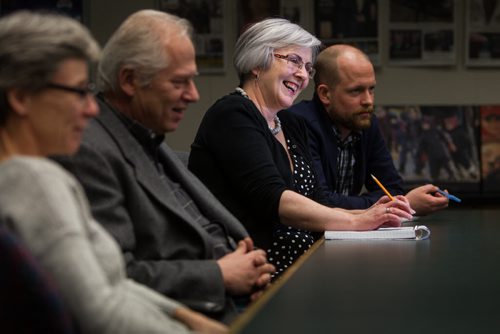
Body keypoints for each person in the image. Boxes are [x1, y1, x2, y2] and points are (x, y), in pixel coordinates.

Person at [0, 10, 227, 334]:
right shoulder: (33, 181)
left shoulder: (30, 175)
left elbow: (115, 284)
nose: (92, 107)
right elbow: (102, 314)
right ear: (21, 98)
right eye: (78, 91)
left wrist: (187, 318)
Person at [53, 9, 274, 324]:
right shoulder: (88, 151)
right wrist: (219, 276)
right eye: (179, 82)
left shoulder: (147, 132)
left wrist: (244, 271)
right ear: (130, 80)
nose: (194, 95)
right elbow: (115, 278)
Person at [188, 18, 413, 279]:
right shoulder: (232, 114)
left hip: (306, 265)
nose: (303, 75)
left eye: (307, 67)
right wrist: (357, 221)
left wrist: (376, 215)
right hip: (260, 274)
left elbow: (319, 204)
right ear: (257, 63)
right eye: (294, 61)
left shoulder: (292, 123)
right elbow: (273, 198)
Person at [288, 44, 449, 216]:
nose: (368, 101)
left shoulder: (365, 122)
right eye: (356, 91)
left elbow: (392, 188)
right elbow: (320, 202)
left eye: (371, 89)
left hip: (348, 232)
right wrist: (397, 204)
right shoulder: (299, 124)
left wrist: (392, 202)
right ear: (325, 94)